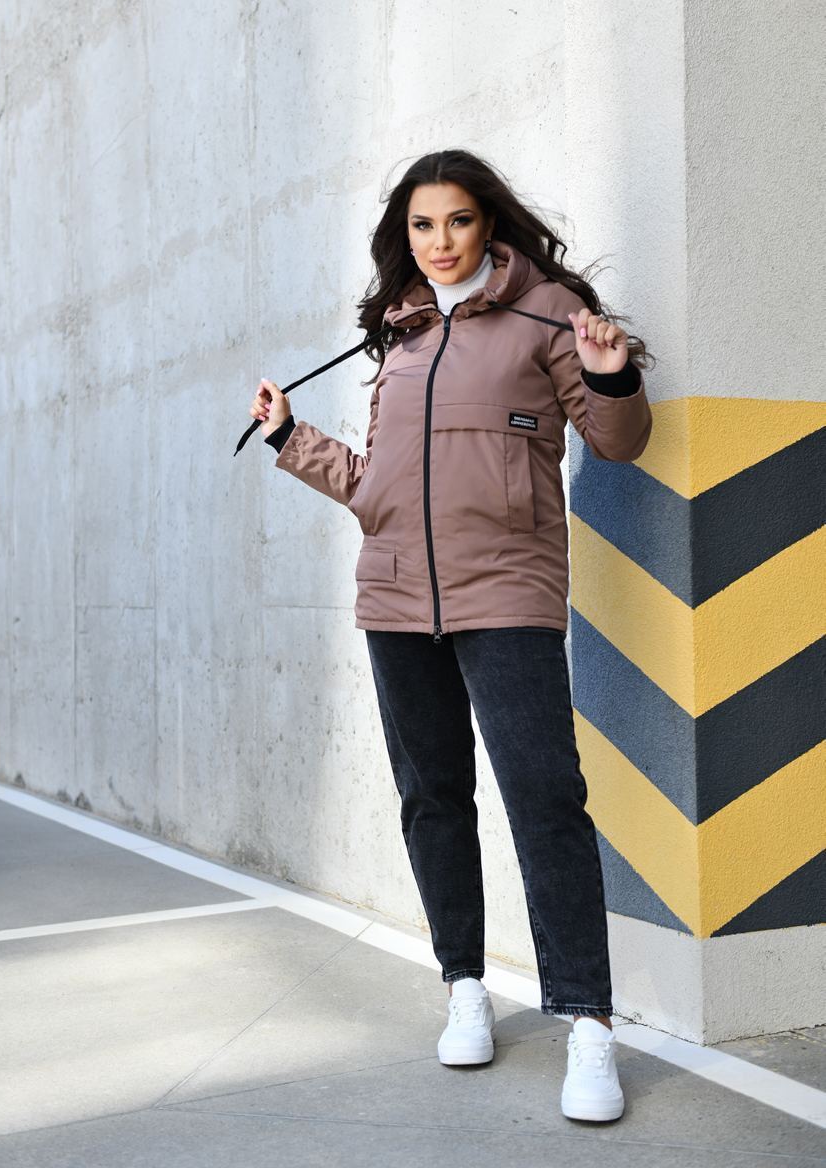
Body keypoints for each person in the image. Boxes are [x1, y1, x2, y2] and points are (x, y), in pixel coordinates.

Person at [248, 149, 654, 1123]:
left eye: (457, 221)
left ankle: (587, 1023)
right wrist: (291, 438)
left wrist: (611, 375)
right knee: (431, 797)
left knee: (545, 801)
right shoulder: (401, 333)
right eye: (422, 225)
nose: (440, 241)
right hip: (395, 602)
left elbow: (618, 441)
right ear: (407, 235)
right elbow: (378, 489)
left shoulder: (546, 313)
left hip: (507, 592)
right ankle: (463, 985)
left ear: (488, 223)